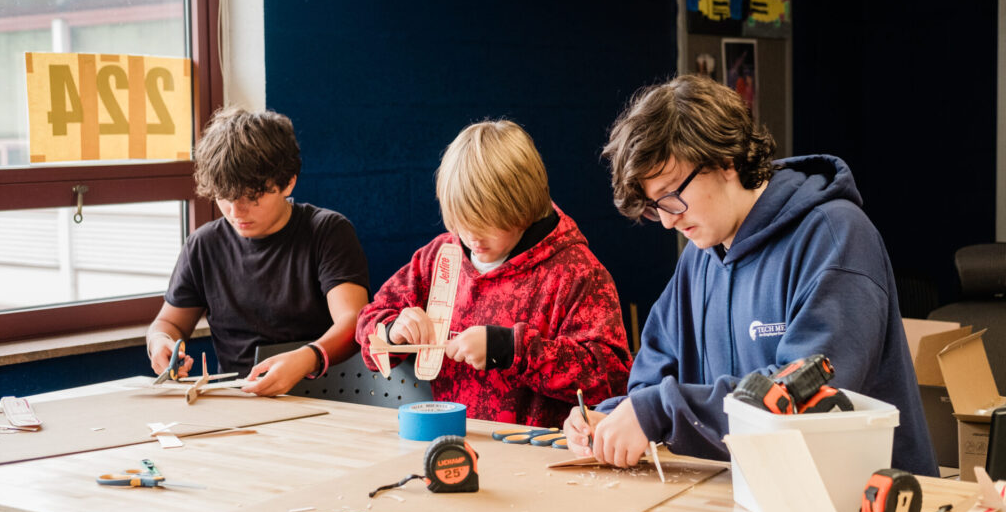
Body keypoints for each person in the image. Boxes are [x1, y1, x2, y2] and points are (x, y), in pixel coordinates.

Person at [563, 75, 938, 476]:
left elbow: (803, 397)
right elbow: (654, 374)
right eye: (657, 207)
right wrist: (613, 416)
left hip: (863, 505)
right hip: (750, 492)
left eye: (672, 196)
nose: (669, 222)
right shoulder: (700, 256)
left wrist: (659, 411)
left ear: (725, 160)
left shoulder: (835, 236)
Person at [355, 120, 631, 427]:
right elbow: (369, 323)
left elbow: (611, 378)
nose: (472, 239)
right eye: (462, 222)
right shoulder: (441, 257)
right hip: (452, 445)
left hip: (537, 457)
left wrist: (510, 350)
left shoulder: (577, 272)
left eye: (487, 225)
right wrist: (394, 330)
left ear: (523, 208)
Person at [146, 106, 370, 396]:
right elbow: (169, 323)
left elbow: (354, 322)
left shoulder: (327, 232)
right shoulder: (204, 245)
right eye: (225, 198)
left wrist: (307, 358)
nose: (236, 212)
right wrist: (160, 341)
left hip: (325, 398)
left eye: (253, 198)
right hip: (238, 402)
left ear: (288, 181)